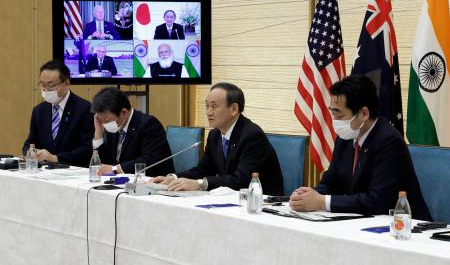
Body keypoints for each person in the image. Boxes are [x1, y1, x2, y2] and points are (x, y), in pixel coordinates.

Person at [289, 75, 431, 220]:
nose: (334, 122)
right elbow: (330, 184)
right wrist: (307, 196)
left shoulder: (389, 141)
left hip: (406, 228)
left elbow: (376, 201)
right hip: (363, 223)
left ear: (364, 113)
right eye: (332, 113)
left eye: (339, 115)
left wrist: (321, 202)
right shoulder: (345, 139)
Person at [152, 82, 284, 195]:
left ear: (234, 109)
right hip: (232, 200)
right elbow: (204, 169)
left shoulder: (253, 136)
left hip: (262, 204)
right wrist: (174, 178)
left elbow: (241, 180)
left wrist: (200, 184)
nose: (208, 112)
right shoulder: (215, 135)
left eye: (214, 106)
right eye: (207, 106)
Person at [23, 60, 94, 166]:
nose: (46, 90)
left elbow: (87, 148)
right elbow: (30, 142)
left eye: (51, 86)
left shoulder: (84, 108)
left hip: (73, 172)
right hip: (44, 171)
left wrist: (55, 158)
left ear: (66, 83)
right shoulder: (39, 110)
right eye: (42, 85)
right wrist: (31, 152)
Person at [91, 87, 174, 176]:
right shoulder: (114, 126)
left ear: (124, 112)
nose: (104, 124)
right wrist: (98, 133)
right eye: (100, 119)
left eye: (106, 120)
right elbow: (104, 164)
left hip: (153, 181)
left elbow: (149, 159)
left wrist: (115, 169)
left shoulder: (149, 124)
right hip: (122, 181)